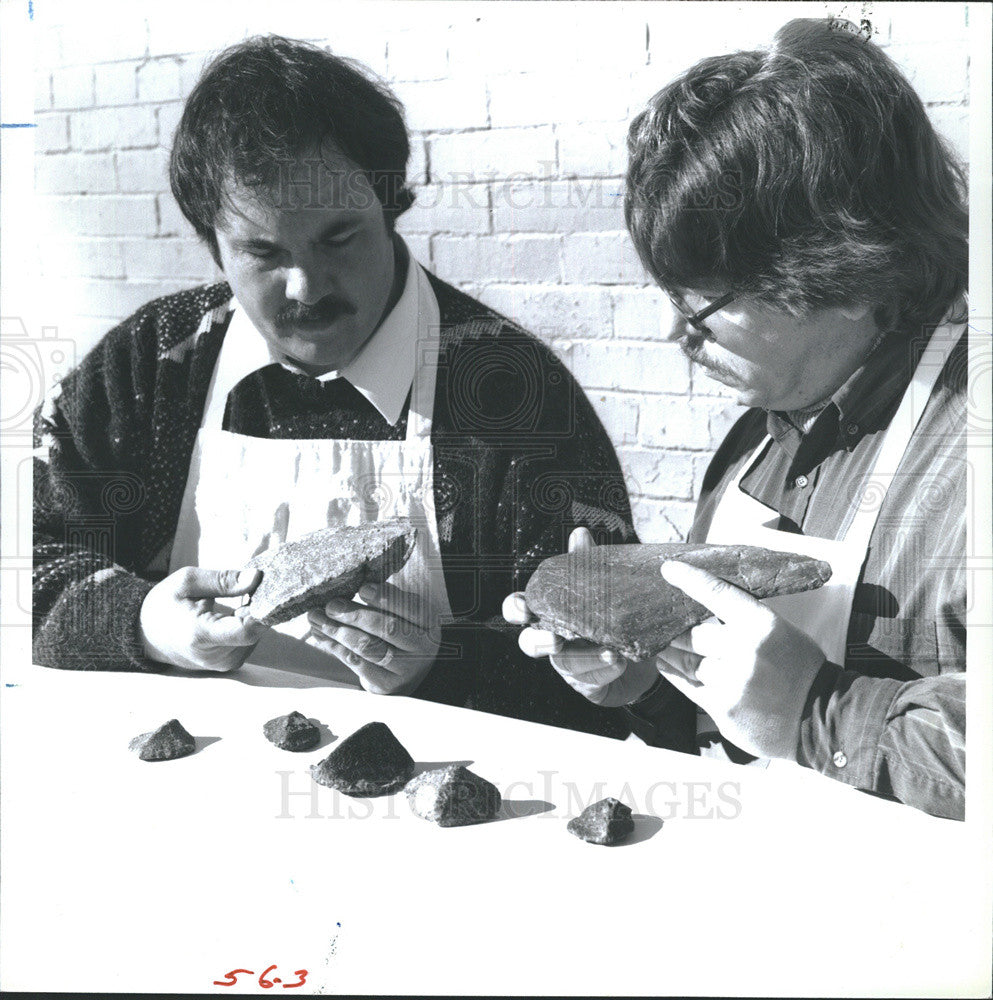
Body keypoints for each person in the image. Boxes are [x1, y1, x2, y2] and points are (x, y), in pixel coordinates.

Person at [32, 35, 637, 740]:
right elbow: (26, 567)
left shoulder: (512, 392)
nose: (307, 288)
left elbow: (610, 683)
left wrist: (438, 667)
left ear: (389, 207)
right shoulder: (152, 365)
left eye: (339, 238)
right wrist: (143, 624)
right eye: (263, 253)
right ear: (212, 243)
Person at [505, 18, 969, 819]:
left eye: (702, 305)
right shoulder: (755, 443)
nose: (671, 333)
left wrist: (817, 711)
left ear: (849, 274)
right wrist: (646, 676)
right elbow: (723, 736)